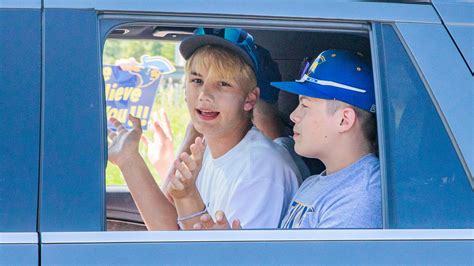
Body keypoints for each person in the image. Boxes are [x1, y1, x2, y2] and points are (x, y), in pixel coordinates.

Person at [107, 27, 300, 230]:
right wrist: (128, 159)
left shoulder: (261, 170)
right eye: (197, 80)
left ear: (250, 99)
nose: (204, 95)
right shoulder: (208, 149)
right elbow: (171, 234)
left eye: (223, 83)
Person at [192, 49, 382, 230]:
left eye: (305, 106)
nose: (293, 116)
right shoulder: (315, 184)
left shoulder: (358, 197)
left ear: (344, 120)